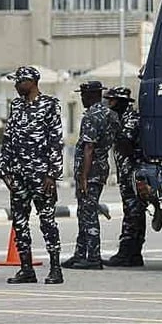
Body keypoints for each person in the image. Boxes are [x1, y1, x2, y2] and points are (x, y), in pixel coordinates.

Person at [0, 66, 65, 285]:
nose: (16, 86)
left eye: (19, 81)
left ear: (32, 82)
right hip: (18, 174)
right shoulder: (16, 105)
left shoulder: (49, 105)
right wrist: (4, 170)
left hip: (41, 174)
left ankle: (55, 269)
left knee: (47, 221)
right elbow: (9, 138)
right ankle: (26, 269)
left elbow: (56, 139)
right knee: (19, 222)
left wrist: (52, 174)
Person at [63, 81, 119, 271]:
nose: (81, 97)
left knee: (88, 213)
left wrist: (84, 177)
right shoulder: (110, 115)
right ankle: (80, 253)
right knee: (84, 211)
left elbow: (89, 147)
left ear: (91, 95)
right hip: (101, 167)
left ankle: (93, 257)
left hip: (91, 170)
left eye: (84, 94)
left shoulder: (92, 116)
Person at [103, 86, 146, 268]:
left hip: (133, 172)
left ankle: (127, 252)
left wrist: (115, 129)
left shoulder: (130, 119)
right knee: (133, 212)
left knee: (133, 212)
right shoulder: (120, 118)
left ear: (120, 102)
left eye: (112, 101)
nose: (109, 104)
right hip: (126, 172)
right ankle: (133, 253)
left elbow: (125, 145)